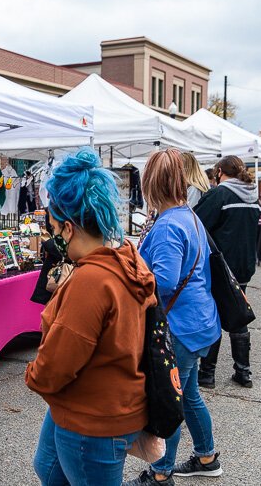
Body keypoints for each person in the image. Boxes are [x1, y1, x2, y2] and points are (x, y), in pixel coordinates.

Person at [25, 148, 157, 486]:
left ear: (67, 228)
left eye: (52, 225)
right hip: (96, 405)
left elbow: (57, 364)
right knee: (49, 468)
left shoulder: (91, 281)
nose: (51, 232)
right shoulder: (125, 258)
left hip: (93, 417)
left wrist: (32, 373)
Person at [126, 148, 222, 486]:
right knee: (189, 392)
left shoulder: (168, 225)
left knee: (169, 402)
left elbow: (163, 281)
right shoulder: (189, 216)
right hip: (201, 322)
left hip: (179, 327)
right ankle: (207, 457)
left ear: (151, 184)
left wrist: (132, 269)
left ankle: (161, 474)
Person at [194, 155, 260, 389]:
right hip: (243, 265)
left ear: (220, 171)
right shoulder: (252, 196)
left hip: (221, 265)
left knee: (214, 315)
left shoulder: (220, 194)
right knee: (237, 312)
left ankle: (207, 373)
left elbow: (196, 223)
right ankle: (243, 371)